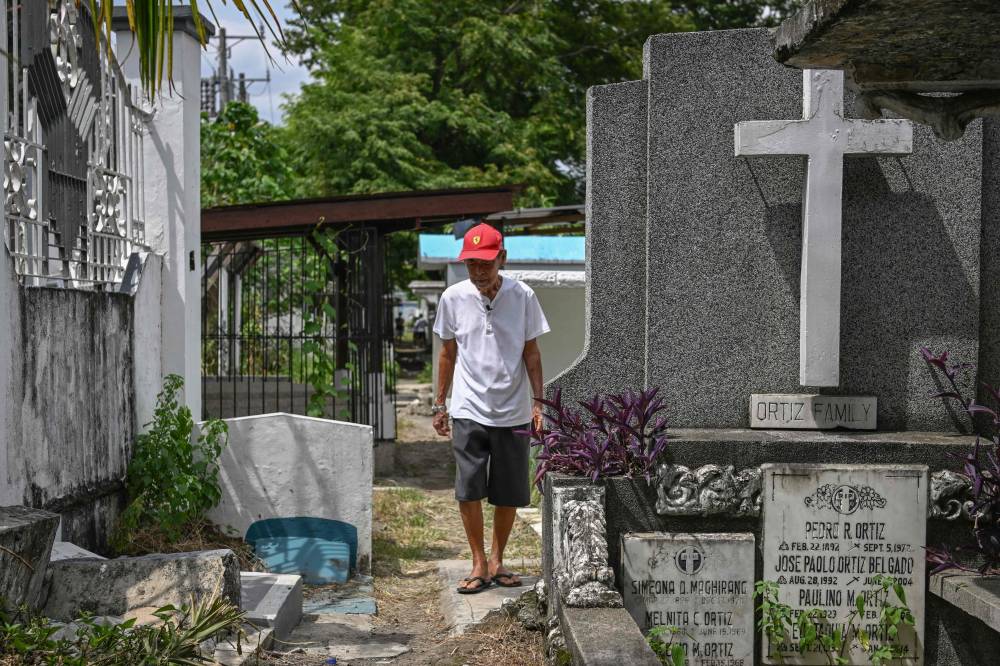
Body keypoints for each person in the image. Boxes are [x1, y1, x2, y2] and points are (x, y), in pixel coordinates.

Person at [432, 223, 549, 594]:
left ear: (502, 258)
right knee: (468, 487)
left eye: (486, 263)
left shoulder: (523, 296)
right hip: (468, 406)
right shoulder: (453, 298)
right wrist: (440, 403)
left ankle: (498, 559)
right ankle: (478, 561)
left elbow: (531, 352)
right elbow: (447, 352)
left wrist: (538, 403)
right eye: (471, 264)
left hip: (513, 408)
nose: (479, 272)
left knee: (509, 489)